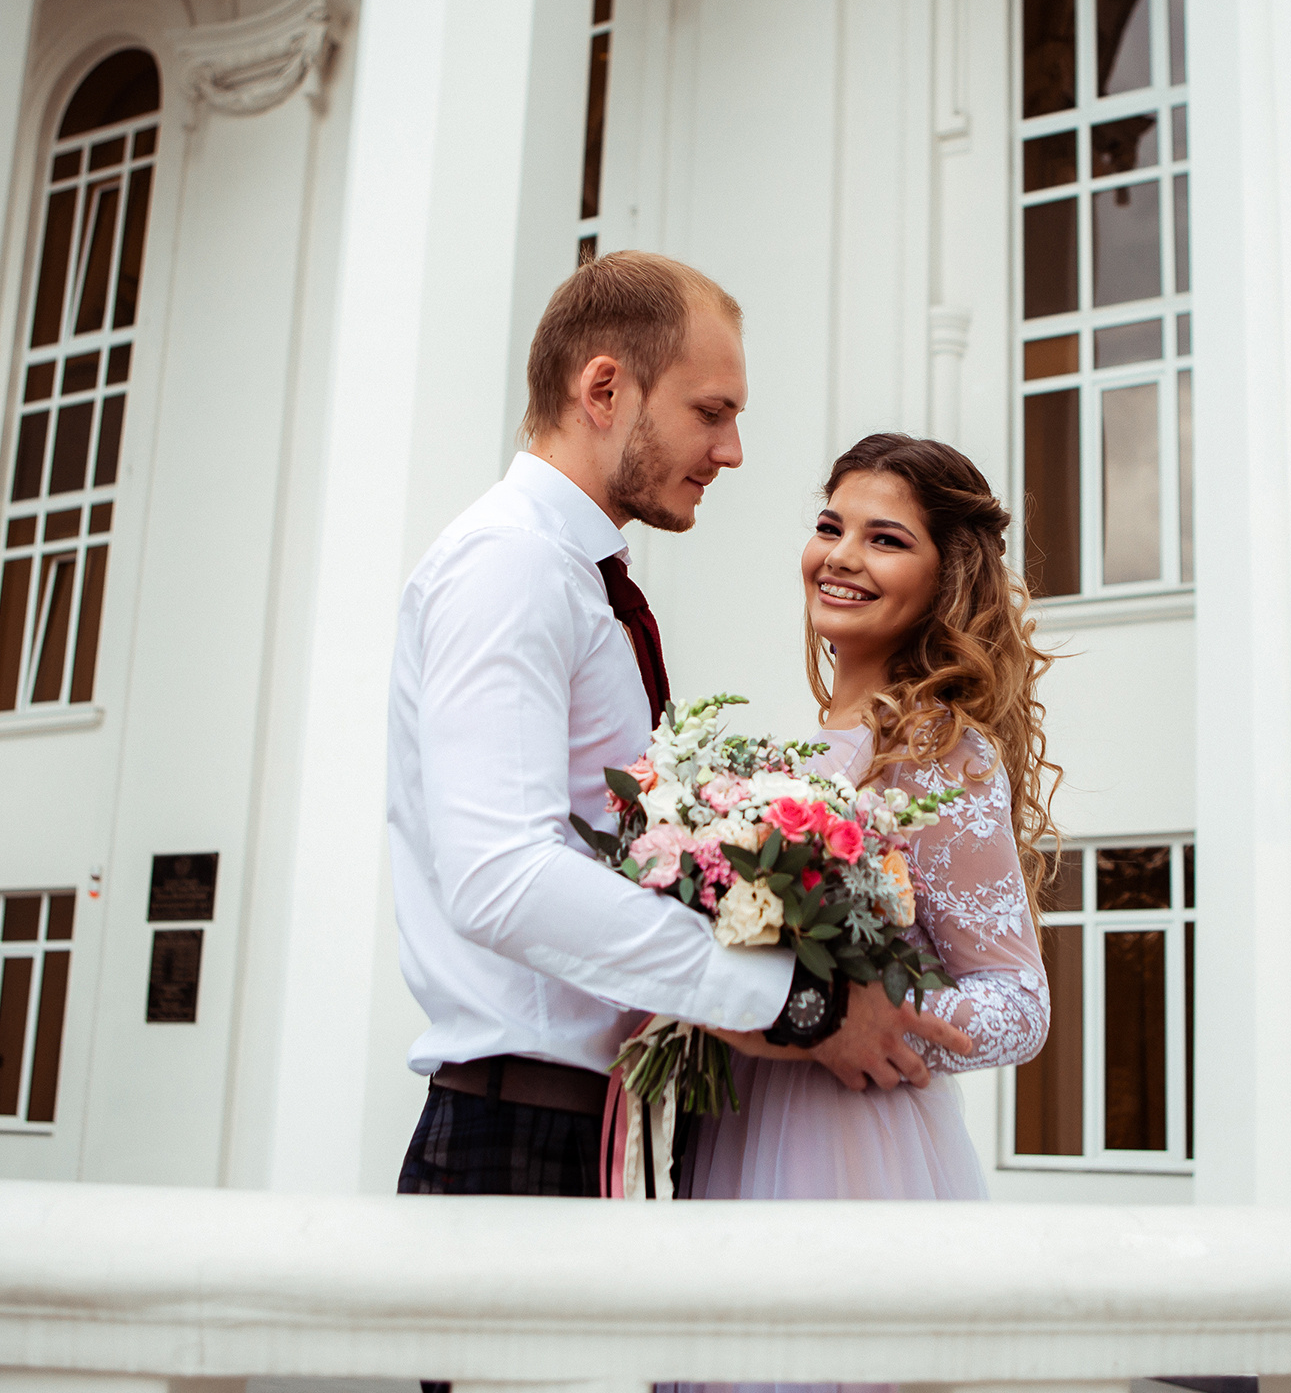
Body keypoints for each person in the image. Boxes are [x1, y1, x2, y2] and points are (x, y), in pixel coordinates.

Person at [386, 254, 973, 1212]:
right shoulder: (511, 569)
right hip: (524, 1138)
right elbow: (500, 876)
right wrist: (800, 1004)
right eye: (712, 411)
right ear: (605, 389)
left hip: (614, 1128)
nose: (732, 450)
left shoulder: (584, 585)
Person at [687, 432, 1063, 1201]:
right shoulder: (794, 760)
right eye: (831, 527)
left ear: (945, 581)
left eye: (884, 539)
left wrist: (847, 1015)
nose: (842, 555)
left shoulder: (938, 754)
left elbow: (1020, 1005)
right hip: (742, 1120)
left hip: (848, 1136)